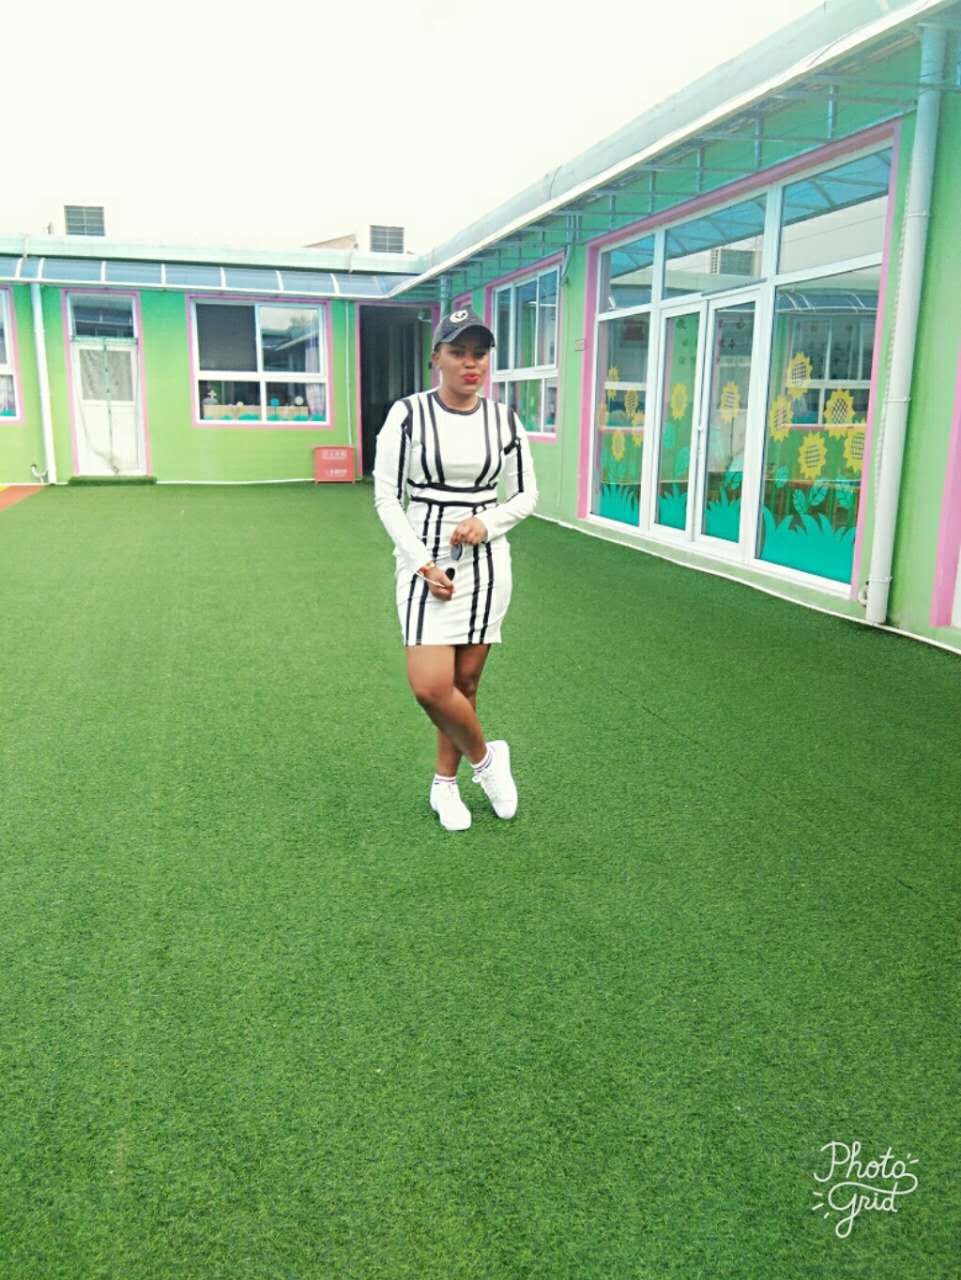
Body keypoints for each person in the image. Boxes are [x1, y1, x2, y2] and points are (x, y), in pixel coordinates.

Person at [372, 307, 538, 831]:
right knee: (430, 686)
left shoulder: (505, 420)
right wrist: (422, 563)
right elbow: (386, 497)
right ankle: (488, 761)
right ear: (436, 358)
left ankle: (445, 785)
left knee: (465, 683)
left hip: (486, 563)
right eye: (458, 353)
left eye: (479, 354)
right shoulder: (408, 415)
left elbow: (526, 495)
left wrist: (486, 523)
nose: (471, 364)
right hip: (423, 558)